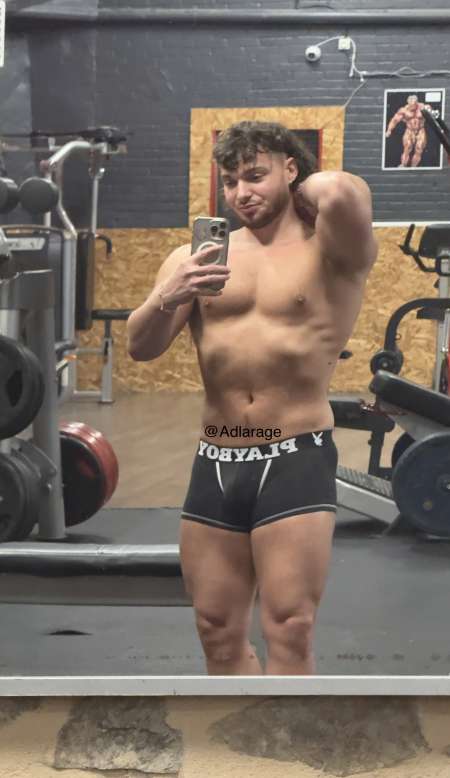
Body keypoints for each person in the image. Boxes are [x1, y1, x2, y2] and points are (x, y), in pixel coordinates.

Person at [126, 121, 377, 675]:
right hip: (217, 456)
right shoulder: (198, 258)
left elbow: (341, 191)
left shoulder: (331, 250)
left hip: (294, 455)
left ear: (291, 170)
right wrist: (170, 294)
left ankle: (285, 736)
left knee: (290, 627)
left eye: (256, 176)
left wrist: (303, 187)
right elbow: (140, 348)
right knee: (216, 630)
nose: (241, 193)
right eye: (231, 181)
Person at [385, 94, 432, 168]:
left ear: (416, 103)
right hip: (409, 130)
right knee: (407, 147)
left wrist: (429, 111)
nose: (412, 107)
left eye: (413, 105)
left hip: (420, 130)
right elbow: (395, 120)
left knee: (419, 148)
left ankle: (413, 167)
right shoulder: (404, 110)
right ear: (408, 103)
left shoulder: (423, 107)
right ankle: (403, 164)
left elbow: (433, 117)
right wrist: (389, 130)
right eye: (410, 105)